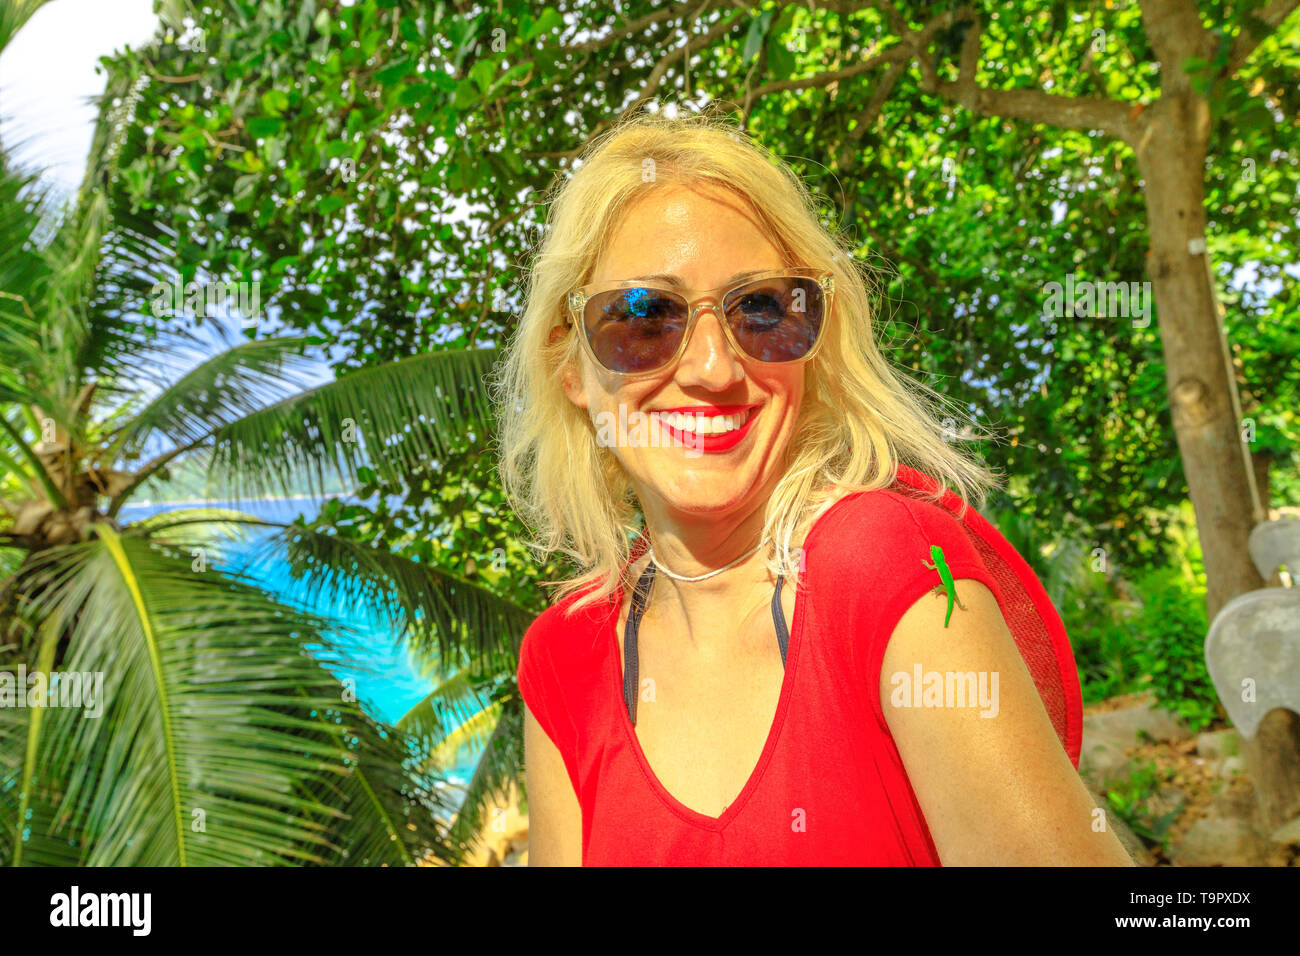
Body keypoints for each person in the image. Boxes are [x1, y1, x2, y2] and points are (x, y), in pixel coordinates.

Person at [495, 110, 1133, 866]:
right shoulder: (564, 656)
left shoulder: (884, 563)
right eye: (644, 317)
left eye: (762, 310)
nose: (714, 370)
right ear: (571, 368)